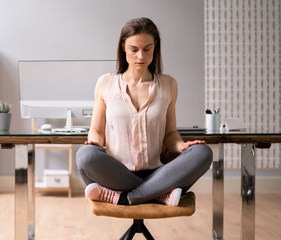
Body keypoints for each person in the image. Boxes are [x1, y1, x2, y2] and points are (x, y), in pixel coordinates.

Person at [76, 17, 213, 207]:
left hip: (158, 173)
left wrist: (182, 146)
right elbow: (96, 130)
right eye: (134, 49)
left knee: (202, 153)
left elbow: (170, 134)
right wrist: (95, 143)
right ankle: (157, 194)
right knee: (85, 156)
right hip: (117, 174)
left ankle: (126, 198)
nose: (141, 56)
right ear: (123, 46)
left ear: (155, 46)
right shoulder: (106, 83)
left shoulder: (169, 84)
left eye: (147, 49)